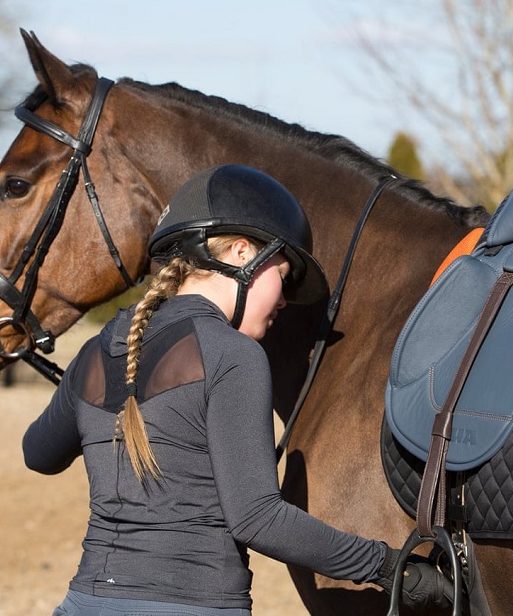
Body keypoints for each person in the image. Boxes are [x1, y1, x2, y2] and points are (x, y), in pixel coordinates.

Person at [23, 165, 451, 614]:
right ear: (243, 253)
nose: (283, 301)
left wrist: (86, 403)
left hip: (82, 602)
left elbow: (38, 453)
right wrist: (391, 567)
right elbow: (257, 517)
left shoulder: (96, 351)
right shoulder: (232, 355)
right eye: (282, 277)